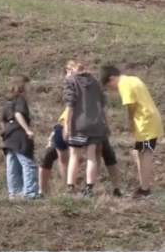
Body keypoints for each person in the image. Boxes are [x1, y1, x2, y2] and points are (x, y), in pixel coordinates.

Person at [101, 65, 163, 198]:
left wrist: (129, 122)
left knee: (145, 154)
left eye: (109, 86)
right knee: (139, 153)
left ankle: (145, 189)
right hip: (146, 121)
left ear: (111, 79)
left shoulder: (124, 85)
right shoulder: (133, 79)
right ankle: (143, 186)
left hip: (146, 122)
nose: (112, 90)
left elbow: (130, 106)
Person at [63, 60, 108, 197]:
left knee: (74, 156)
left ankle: (70, 187)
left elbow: (70, 105)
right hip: (96, 123)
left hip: (78, 124)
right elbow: (102, 104)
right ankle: (89, 189)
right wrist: (106, 122)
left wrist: (66, 125)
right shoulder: (96, 82)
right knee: (91, 157)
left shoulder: (71, 81)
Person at [1, 75, 38, 199]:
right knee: (28, 164)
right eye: (28, 86)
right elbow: (18, 114)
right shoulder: (20, 99)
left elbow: (3, 120)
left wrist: (5, 133)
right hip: (19, 135)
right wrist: (28, 130)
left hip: (9, 136)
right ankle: (29, 193)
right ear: (22, 87)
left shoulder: (7, 102)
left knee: (12, 165)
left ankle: (14, 193)